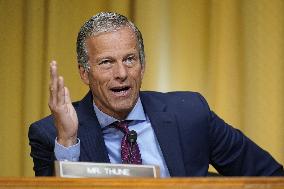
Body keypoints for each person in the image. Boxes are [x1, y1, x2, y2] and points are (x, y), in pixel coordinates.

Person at [29, 12, 284, 177]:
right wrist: (68, 141)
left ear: (143, 65)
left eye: (130, 59)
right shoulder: (50, 135)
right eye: (107, 62)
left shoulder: (190, 113)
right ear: (85, 73)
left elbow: (270, 176)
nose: (122, 73)